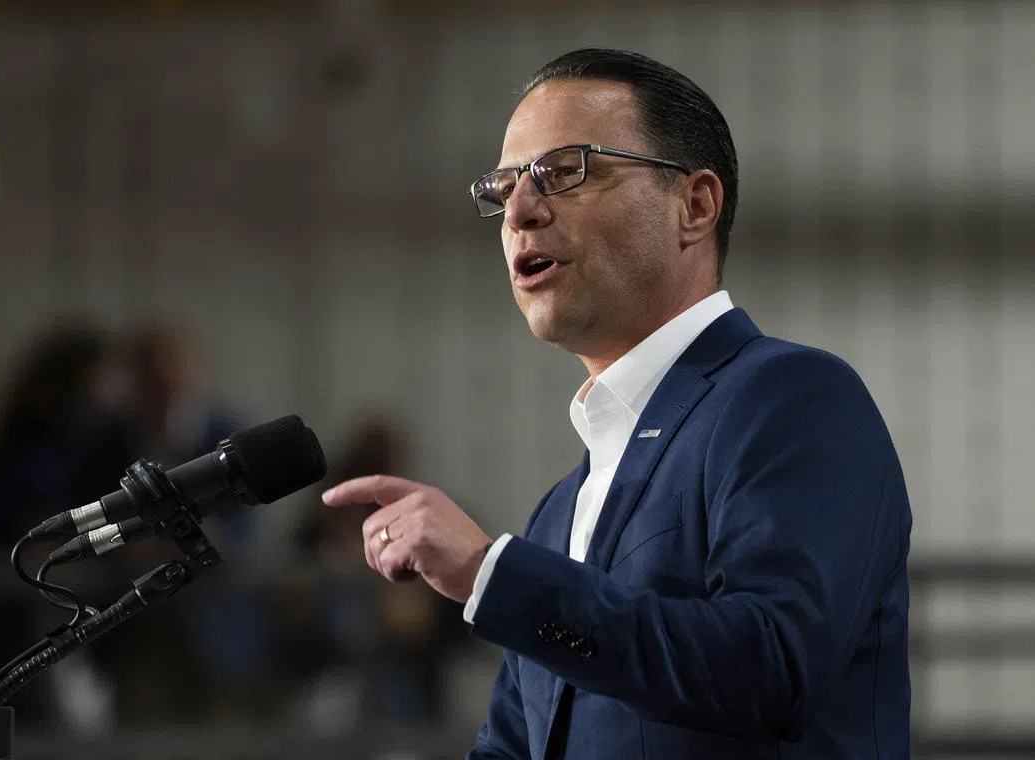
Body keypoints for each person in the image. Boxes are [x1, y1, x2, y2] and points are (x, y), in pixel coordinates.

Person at [322, 48, 911, 759]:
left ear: (694, 205)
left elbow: (771, 667)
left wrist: (488, 574)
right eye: (504, 188)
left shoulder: (790, 400)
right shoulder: (556, 515)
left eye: (565, 171)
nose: (520, 212)